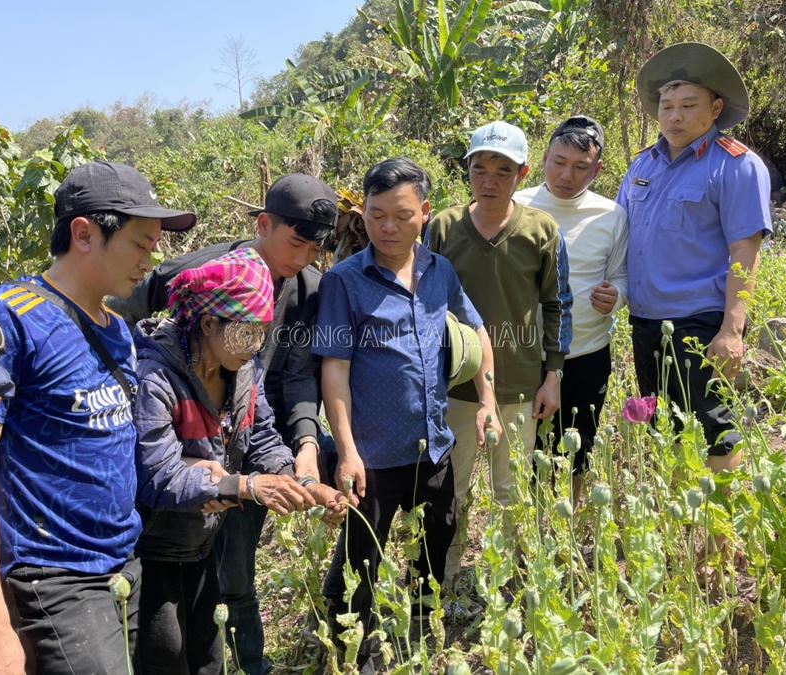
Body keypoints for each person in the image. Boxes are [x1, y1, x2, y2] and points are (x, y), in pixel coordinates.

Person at [0, 160, 196, 673]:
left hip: (121, 566)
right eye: (140, 242)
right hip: (51, 576)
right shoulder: (9, 318)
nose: (152, 259)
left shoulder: (118, 329)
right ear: (84, 234)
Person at [109, 173, 338, 674]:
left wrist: (298, 472)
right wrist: (246, 483)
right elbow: (159, 471)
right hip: (157, 541)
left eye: (263, 333)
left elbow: (264, 421)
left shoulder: (248, 363)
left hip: (209, 517)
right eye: (249, 333)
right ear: (209, 322)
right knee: (165, 651)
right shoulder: (157, 377)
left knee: (215, 616)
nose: (259, 345)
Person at [313, 157, 499, 668]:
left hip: (433, 445)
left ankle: (423, 624)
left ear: (425, 213)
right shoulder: (344, 282)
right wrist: (346, 452)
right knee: (361, 560)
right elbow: (334, 371)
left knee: (436, 542)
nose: (387, 228)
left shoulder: (441, 272)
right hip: (371, 457)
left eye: (400, 215)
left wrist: (487, 400)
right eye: (375, 215)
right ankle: (356, 645)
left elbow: (478, 331)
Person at [425, 121, 573, 582]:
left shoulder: (541, 231)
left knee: (510, 488)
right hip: (456, 388)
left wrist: (553, 375)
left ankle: (507, 578)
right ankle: (442, 576)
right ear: (466, 170)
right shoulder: (442, 228)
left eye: (502, 171)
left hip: (519, 385)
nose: (489, 180)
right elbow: (423, 304)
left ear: (523, 173)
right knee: (452, 488)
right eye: (480, 169)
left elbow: (557, 305)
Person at [615, 42, 772, 474]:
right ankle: (684, 526)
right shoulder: (641, 166)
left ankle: (719, 532)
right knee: (663, 426)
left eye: (688, 105)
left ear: (715, 107)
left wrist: (731, 330)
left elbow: (745, 250)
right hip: (646, 321)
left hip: (700, 322)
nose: (675, 116)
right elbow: (619, 234)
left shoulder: (735, 165)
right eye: (667, 106)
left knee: (712, 427)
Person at [515, 115, 628, 504]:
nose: (567, 175)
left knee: (578, 446)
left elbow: (622, 275)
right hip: (527, 354)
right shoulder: (517, 204)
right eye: (559, 162)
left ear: (597, 169)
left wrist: (618, 295)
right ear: (544, 157)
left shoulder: (611, 215)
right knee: (527, 452)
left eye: (581, 167)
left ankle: (571, 521)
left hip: (587, 352)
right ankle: (530, 529)